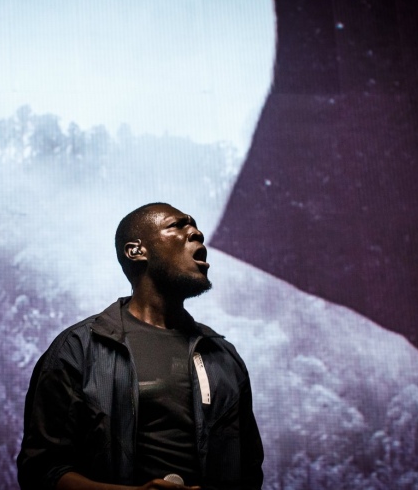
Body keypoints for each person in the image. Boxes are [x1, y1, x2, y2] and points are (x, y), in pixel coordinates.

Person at [17, 202, 264, 490]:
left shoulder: (222, 356)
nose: (197, 233)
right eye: (178, 225)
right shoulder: (77, 349)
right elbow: (42, 471)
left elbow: (249, 473)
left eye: (194, 225)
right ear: (136, 251)